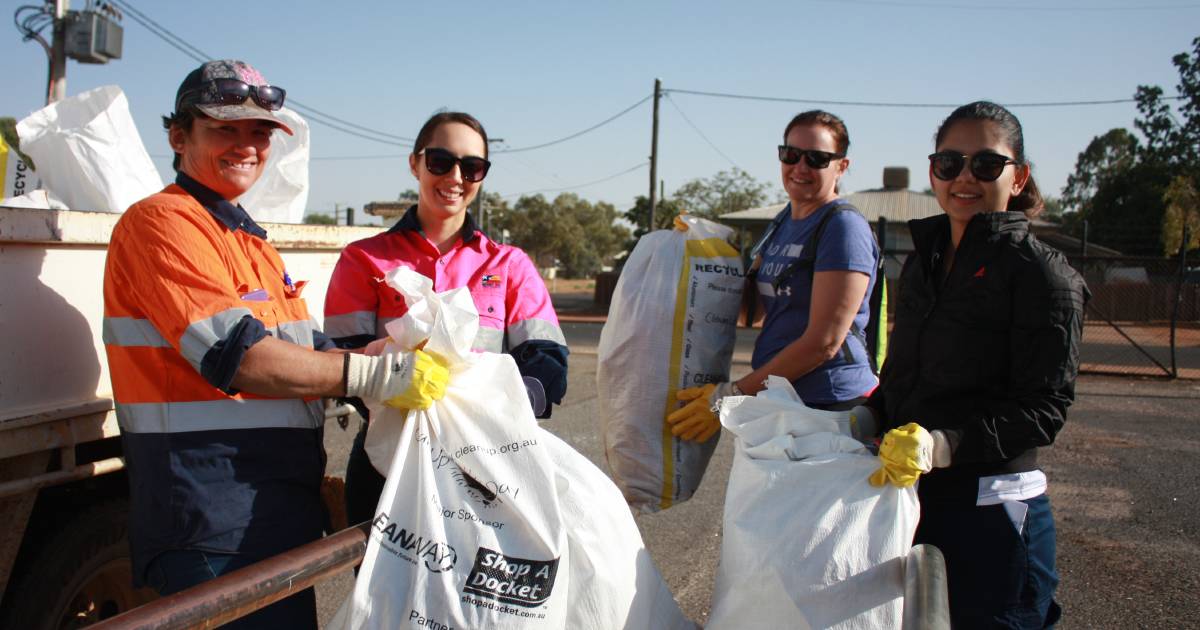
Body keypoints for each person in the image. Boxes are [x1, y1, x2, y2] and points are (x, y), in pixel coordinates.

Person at [102, 60, 448, 629]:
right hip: (211, 522)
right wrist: (372, 377)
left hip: (274, 515)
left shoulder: (250, 242)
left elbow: (306, 353)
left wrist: (392, 355)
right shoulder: (160, 224)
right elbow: (244, 359)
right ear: (178, 136)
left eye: (260, 133)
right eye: (225, 130)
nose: (247, 146)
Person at [861, 101, 1087, 628]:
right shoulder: (924, 260)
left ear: (1018, 175)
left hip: (993, 513)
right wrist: (866, 415)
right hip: (912, 499)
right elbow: (903, 374)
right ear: (933, 171)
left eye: (986, 164)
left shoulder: (1042, 276)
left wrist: (943, 444)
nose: (965, 178)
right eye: (949, 163)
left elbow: (1044, 408)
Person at [323, 111, 569, 527]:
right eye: (440, 161)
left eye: (472, 167)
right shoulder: (363, 259)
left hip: (487, 468)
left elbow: (548, 364)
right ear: (415, 163)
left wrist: (480, 412)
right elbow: (341, 363)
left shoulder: (509, 264)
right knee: (384, 591)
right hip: (386, 467)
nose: (455, 176)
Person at [668, 110, 881, 442]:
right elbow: (751, 313)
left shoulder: (842, 227)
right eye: (791, 154)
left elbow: (823, 344)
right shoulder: (783, 222)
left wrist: (732, 395)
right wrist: (705, 250)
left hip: (828, 403)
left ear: (841, 166)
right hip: (781, 397)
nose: (800, 167)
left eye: (817, 158)